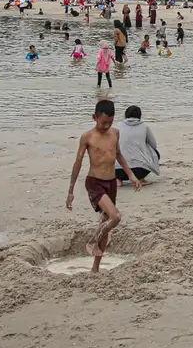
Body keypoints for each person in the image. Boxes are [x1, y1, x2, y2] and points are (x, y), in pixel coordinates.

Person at [66, 100, 140, 273]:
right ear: (94, 117)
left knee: (106, 224)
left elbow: (119, 155)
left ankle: (95, 268)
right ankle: (92, 241)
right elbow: (77, 162)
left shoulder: (115, 133)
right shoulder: (88, 137)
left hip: (111, 182)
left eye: (110, 122)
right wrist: (70, 190)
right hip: (94, 183)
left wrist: (130, 174)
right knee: (115, 217)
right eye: (103, 122)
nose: (106, 126)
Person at [114, 105, 160, 187]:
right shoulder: (144, 127)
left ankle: (118, 180)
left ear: (125, 115)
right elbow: (154, 145)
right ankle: (141, 179)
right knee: (156, 153)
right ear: (140, 116)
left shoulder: (117, 126)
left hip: (117, 170)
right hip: (139, 170)